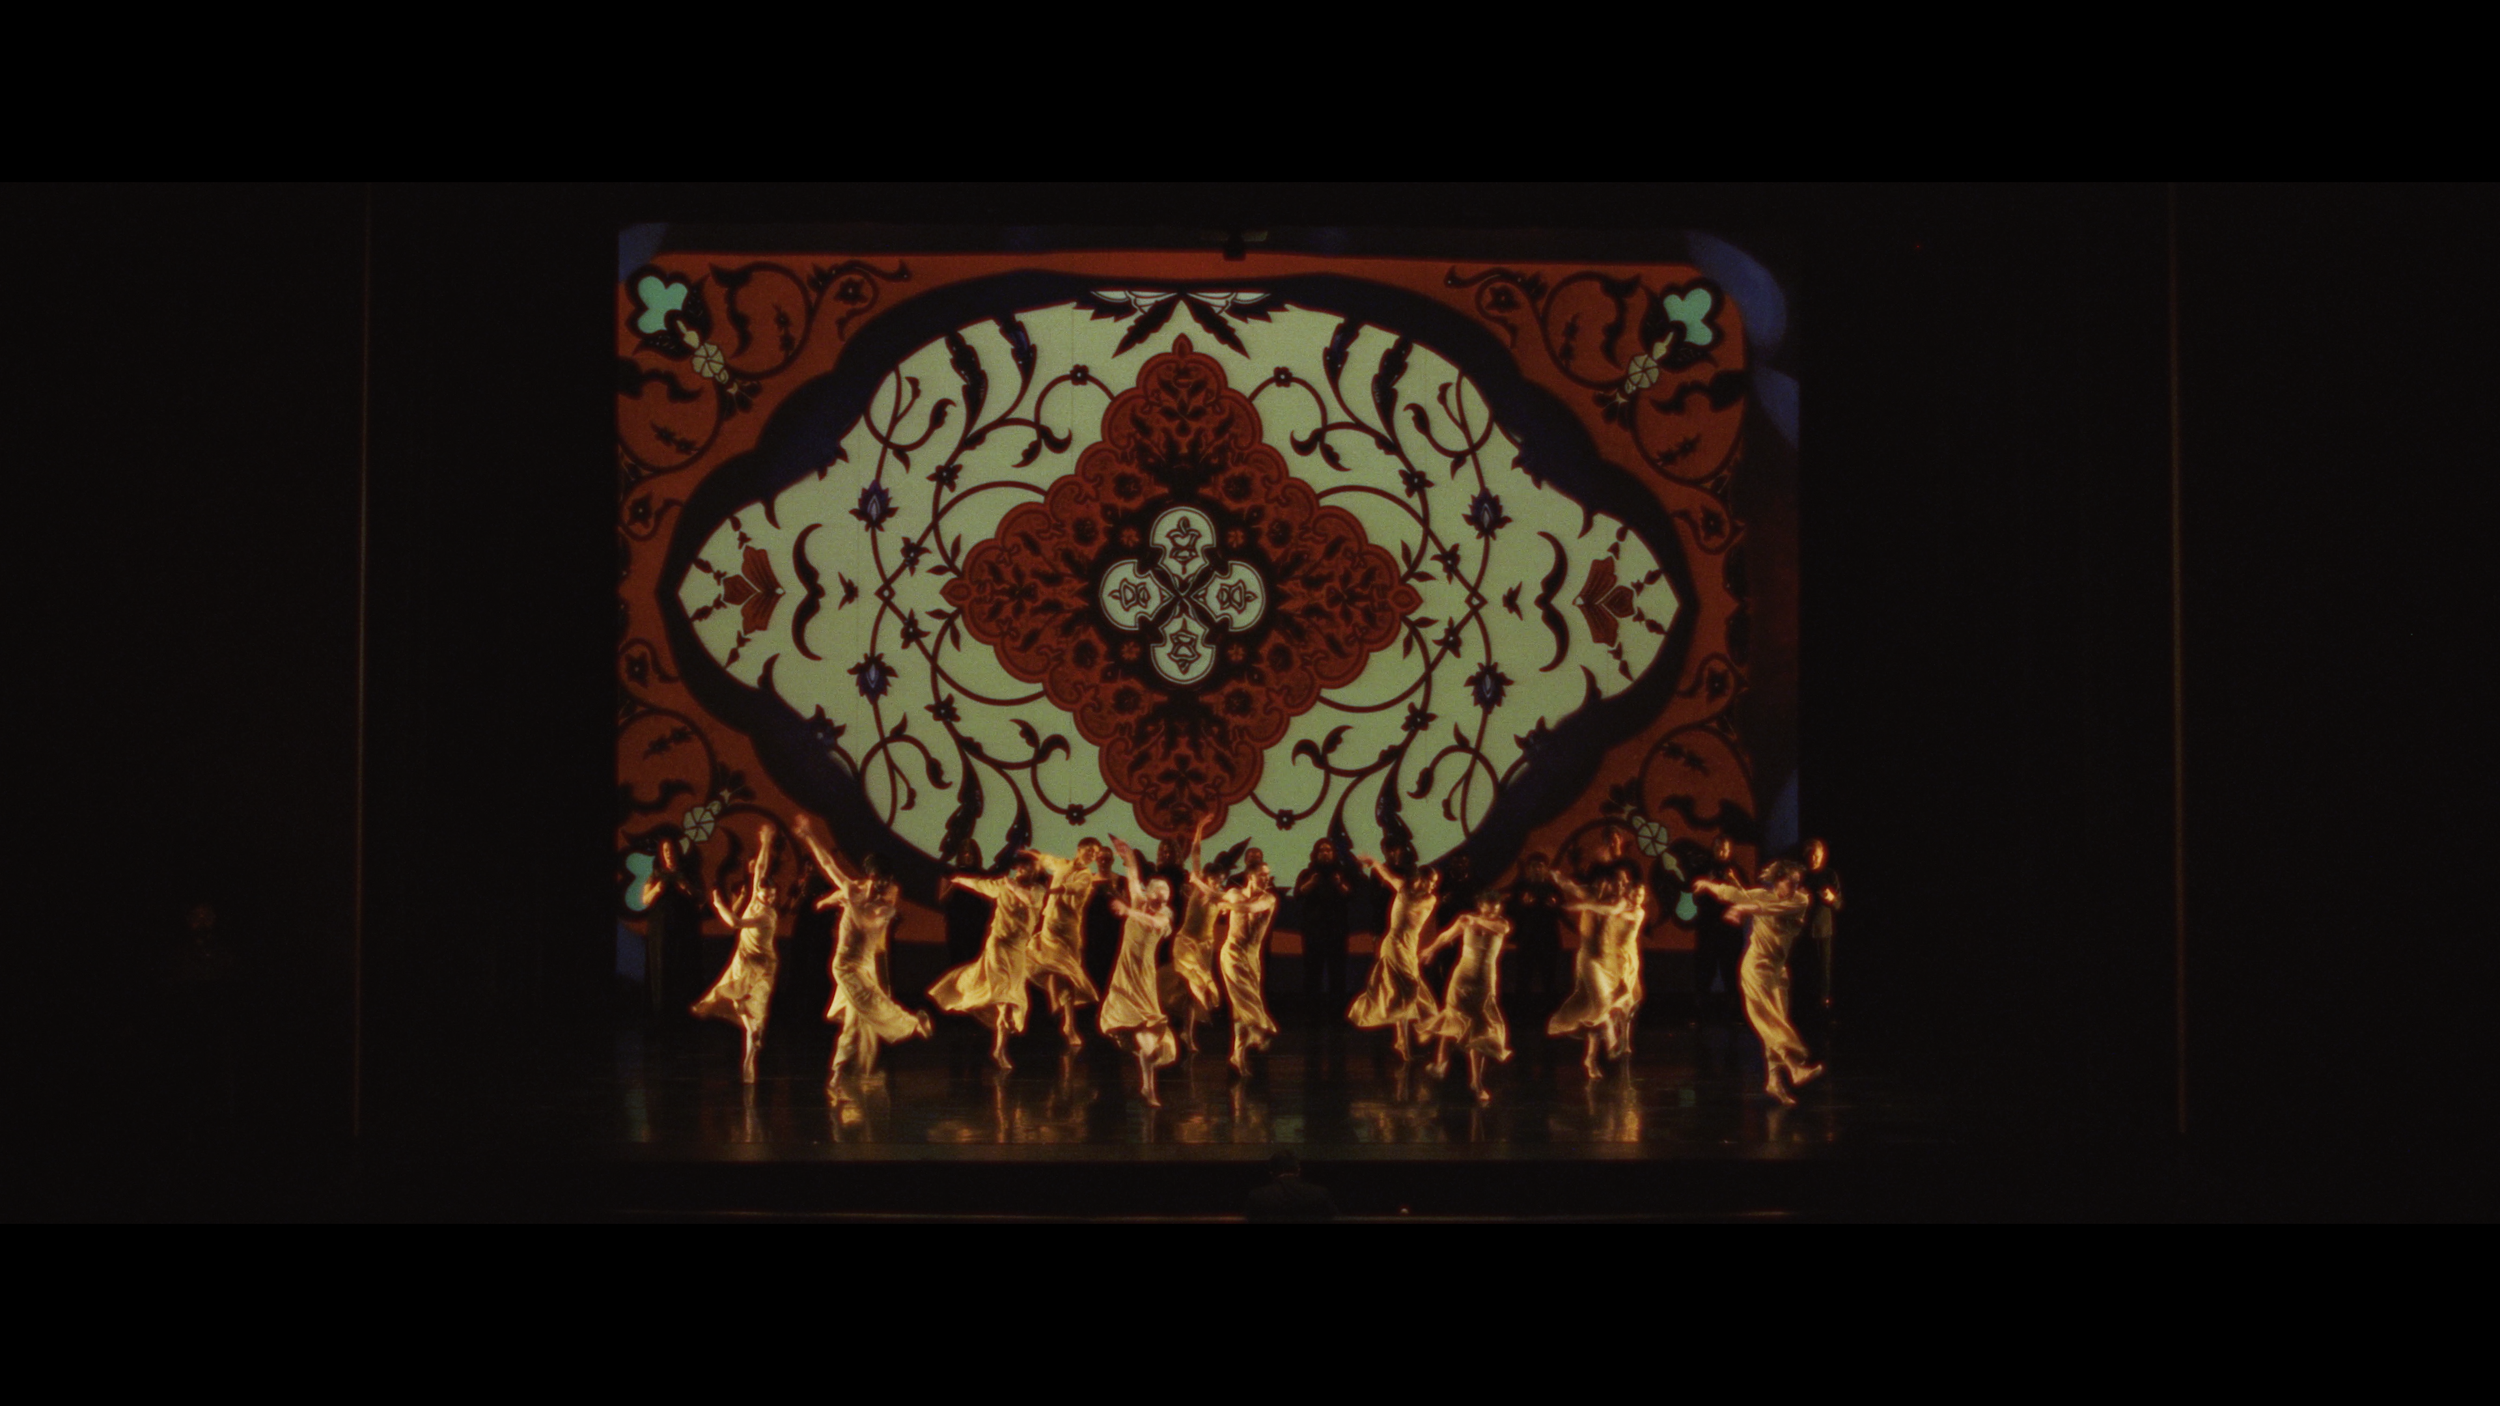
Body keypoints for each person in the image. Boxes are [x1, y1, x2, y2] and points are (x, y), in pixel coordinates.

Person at [795, 819, 933, 1093]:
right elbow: (828, 865)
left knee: (854, 1021)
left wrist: (841, 903)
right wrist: (810, 835)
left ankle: (836, 1072)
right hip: (846, 967)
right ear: (871, 877)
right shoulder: (852, 891)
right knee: (872, 1001)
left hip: (866, 966)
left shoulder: (885, 908)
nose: (885, 887)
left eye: (888, 882)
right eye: (880, 880)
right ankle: (913, 1025)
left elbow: (876, 936)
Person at [1695, 858, 1823, 1105]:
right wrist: (1709, 885)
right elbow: (1734, 893)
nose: (1795, 887)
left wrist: (1744, 909)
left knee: (1775, 1022)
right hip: (1755, 969)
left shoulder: (1800, 900)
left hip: (1778, 971)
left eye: (1798, 883)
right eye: (1790, 882)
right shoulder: (1762, 896)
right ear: (1778, 881)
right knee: (1768, 1020)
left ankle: (1774, 1082)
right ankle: (1794, 1068)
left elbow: (1769, 909)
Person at [928, 855, 1048, 1070]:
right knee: (1004, 998)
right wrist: (957, 879)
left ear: (1034, 871)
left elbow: (1029, 900)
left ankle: (998, 1048)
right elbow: (977, 884)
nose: (1022, 871)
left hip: (1018, 951)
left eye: (1027, 868)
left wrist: (1011, 886)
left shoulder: (1037, 891)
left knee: (1010, 1002)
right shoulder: (1002, 886)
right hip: (999, 947)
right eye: (1020, 868)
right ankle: (999, 1049)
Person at [691, 822, 783, 1083]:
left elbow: (734, 923)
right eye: (766, 892)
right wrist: (765, 842)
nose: (767, 896)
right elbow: (761, 869)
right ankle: (751, 1036)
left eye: (771, 894)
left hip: (762, 966)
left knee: (757, 1011)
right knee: (737, 1000)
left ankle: (751, 1050)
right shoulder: (756, 898)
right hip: (743, 961)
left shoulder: (767, 915)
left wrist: (719, 904)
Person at [1103, 836, 1180, 1105]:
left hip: (1144, 980)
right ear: (1149, 893)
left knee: (1149, 1045)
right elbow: (1133, 878)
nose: (1161, 899)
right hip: (1125, 977)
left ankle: (1148, 1085)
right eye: (1157, 894)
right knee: (1130, 1028)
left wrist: (1127, 911)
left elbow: (1152, 922)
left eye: (1166, 896)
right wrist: (1128, 855)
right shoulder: (1138, 899)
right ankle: (1146, 1081)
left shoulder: (1165, 915)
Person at [1417, 891, 1512, 1102]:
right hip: (1462, 977)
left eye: (1496, 905)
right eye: (1488, 904)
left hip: (1484, 981)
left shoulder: (1501, 924)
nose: (1493, 909)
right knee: (1453, 1018)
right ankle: (1440, 1062)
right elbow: (1446, 935)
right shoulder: (1466, 920)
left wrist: (1474, 921)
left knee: (1479, 1029)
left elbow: (1497, 929)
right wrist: (1431, 949)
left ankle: (1476, 1081)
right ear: (1480, 904)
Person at [1348, 853, 1440, 1062]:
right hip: (1394, 944)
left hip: (1410, 946)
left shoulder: (1430, 899)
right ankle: (1413, 1033)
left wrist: (1429, 948)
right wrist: (1373, 862)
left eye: (1434, 883)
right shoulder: (1403, 889)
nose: (1432, 887)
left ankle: (1402, 1042)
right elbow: (1388, 875)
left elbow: (1423, 925)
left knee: (1404, 991)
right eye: (1430, 882)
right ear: (1419, 879)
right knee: (1407, 987)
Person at [1022, 840, 1111, 1049]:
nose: (1092, 855)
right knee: (1051, 964)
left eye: (1095, 853)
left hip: (1069, 930)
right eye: (1089, 850)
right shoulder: (1062, 864)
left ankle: (1067, 1021)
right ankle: (1061, 1013)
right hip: (1051, 925)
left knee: (1065, 973)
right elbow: (1046, 859)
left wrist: (1052, 891)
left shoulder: (1086, 875)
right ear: (1079, 849)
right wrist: (1032, 854)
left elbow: (1074, 888)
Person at [1547, 873, 1635, 1078]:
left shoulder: (1620, 901)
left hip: (1609, 962)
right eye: (1617, 881)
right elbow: (1571, 886)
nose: (1621, 885)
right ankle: (1612, 1038)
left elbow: (1611, 910)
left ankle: (1590, 1058)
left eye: (1624, 882)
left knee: (1597, 1007)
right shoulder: (1590, 894)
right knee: (1602, 1002)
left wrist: (1583, 906)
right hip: (1589, 960)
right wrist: (1558, 878)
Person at [1159, 815, 1226, 1055]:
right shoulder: (1199, 889)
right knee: (1192, 980)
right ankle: (1203, 1006)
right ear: (1209, 877)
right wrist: (1198, 828)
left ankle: (1189, 1031)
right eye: (1214, 880)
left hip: (1204, 946)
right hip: (1186, 941)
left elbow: (1217, 897)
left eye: (1220, 881)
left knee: (1188, 994)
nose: (1217, 883)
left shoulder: (1218, 894)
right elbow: (1196, 853)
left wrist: (1201, 882)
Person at [1218, 859, 1282, 1076]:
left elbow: (1250, 908)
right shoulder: (1234, 893)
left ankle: (1237, 1055)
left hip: (1252, 958)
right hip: (1232, 954)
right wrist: (1199, 883)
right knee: (1244, 997)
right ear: (1250, 876)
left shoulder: (1268, 899)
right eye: (1262, 874)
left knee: (1240, 1006)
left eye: (1268, 874)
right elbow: (1215, 895)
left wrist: (1228, 905)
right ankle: (1258, 1030)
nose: (1267, 878)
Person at [637, 835, 707, 1021]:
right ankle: (660, 1013)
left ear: (677, 852)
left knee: (681, 966)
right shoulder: (656, 874)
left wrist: (687, 888)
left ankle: (681, 1014)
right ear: (661, 854)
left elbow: (701, 896)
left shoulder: (687, 872)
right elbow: (644, 900)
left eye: (671, 850)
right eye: (665, 850)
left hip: (683, 928)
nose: (668, 854)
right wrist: (656, 890)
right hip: (660, 929)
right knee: (661, 967)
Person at [1294, 838, 1354, 1007]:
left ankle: (1338, 1009)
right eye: (1322, 850)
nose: (1325, 853)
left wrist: (1339, 884)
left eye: (1328, 850)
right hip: (1313, 931)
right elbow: (1298, 894)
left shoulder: (1342, 873)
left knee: (1337, 972)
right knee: (1312, 973)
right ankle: (1311, 1011)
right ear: (1316, 853)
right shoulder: (1308, 873)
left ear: (1334, 853)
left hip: (1337, 931)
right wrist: (1311, 883)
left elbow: (1351, 895)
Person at [1503, 852, 1565, 1010]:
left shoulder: (1553, 888)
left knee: (1549, 978)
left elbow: (1563, 913)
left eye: (1540, 866)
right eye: (1533, 866)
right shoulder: (1520, 887)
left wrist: (1555, 906)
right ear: (1528, 869)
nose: (1537, 869)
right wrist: (1522, 905)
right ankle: (1521, 1014)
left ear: (1546, 869)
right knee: (1523, 977)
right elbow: (1509, 912)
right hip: (1526, 939)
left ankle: (1550, 1014)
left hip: (1549, 939)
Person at [1800, 837, 1844, 1032]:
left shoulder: (1830, 875)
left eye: (1817, 856)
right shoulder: (1801, 876)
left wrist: (1832, 898)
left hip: (1824, 932)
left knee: (1824, 974)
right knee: (1806, 972)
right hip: (1804, 933)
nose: (1814, 859)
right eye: (1811, 855)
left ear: (1823, 856)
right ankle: (1807, 1015)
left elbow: (1840, 904)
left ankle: (1824, 1013)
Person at [1245, 1151, 1336, 1222]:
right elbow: (1332, 1216)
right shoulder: (1319, 1194)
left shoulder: (1257, 1196)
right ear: (1298, 1171)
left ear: (1272, 1173)